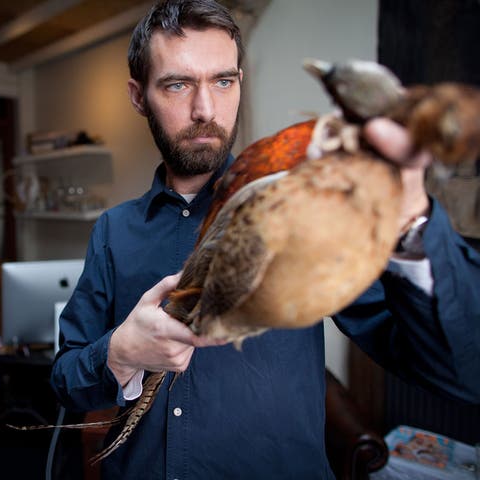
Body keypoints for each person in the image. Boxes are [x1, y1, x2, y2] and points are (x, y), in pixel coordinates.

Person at [51, 1, 480, 478]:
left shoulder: (307, 209)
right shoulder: (113, 232)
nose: (205, 109)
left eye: (223, 80)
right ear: (138, 96)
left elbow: (461, 370)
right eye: (177, 84)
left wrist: (411, 227)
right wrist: (120, 353)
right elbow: (67, 381)